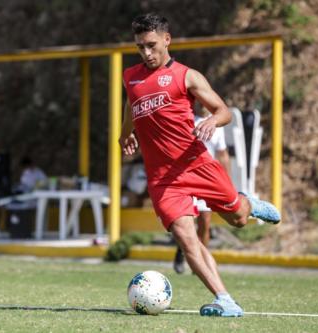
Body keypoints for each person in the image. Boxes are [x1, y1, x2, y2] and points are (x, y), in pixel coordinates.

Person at [119, 13, 280, 317]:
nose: (147, 53)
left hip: (196, 164)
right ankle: (225, 300)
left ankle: (247, 204)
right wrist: (125, 133)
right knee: (187, 238)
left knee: (239, 219)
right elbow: (131, 103)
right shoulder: (131, 76)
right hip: (163, 180)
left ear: (167, 39)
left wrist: (211, 120)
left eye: (151, 45)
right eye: (140, 47)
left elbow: (224, 111)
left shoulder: (187, 76)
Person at [173, 109, 231, 274]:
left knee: (204, 223)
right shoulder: (187, 120)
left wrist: (227, 182)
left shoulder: (215, 124)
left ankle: (200, 265)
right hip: (186, 177)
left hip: (207, 179)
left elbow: (223, 154)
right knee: (186, 222)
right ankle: (181, 251)